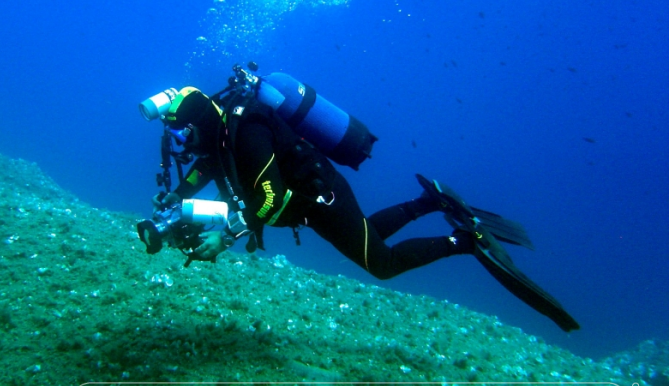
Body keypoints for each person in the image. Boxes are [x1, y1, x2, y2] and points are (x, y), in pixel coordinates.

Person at [152, 85, 580, 332]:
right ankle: (427, 202)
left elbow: (270, 199)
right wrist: (177, 195)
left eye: (185, 133)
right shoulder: (222, 136)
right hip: (311, 205)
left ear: (200, 121)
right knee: (365, 235)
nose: (184, 144)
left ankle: (464, 241)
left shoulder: (245, 130)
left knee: (382, 263)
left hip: (322, 197)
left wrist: (226, 236)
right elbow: (208, 166)